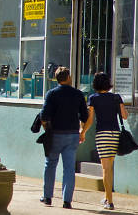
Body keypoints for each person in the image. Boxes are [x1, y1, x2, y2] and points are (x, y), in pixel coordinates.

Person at [39, 67, 89, 209]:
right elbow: (85, 116)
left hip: (55, 134)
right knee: (69, 168)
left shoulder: (51, 94)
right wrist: (82, 131)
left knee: (50, 164)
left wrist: (47, 130)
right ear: (68, 77)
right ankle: (67, 200)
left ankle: (47, 197)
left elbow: (44, 116)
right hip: (72, 135)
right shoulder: (78, 94)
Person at [83, 72, 129, 210]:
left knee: (105, 169)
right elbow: (125, 116)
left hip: (102, 135)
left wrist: (83, 132)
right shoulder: (116, 97)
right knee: (110, 167)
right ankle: (108, 198)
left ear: (95, 84)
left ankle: (109, 201)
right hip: (115, 134)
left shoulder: (93, 98)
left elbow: (90, 120)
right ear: (108, 84)